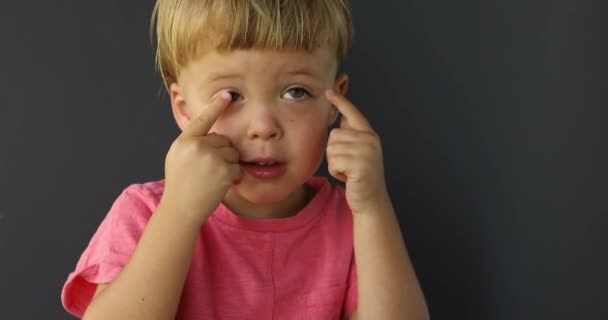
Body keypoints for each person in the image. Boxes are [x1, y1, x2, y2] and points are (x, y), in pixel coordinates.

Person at [61, 0, 429, 319]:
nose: (264, 127)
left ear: (334, 102)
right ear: (185, 110)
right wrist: (179, 214)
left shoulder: (353, 221)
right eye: (231, 95)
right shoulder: (145, 212)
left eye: (296, 92)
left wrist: (372, 207)